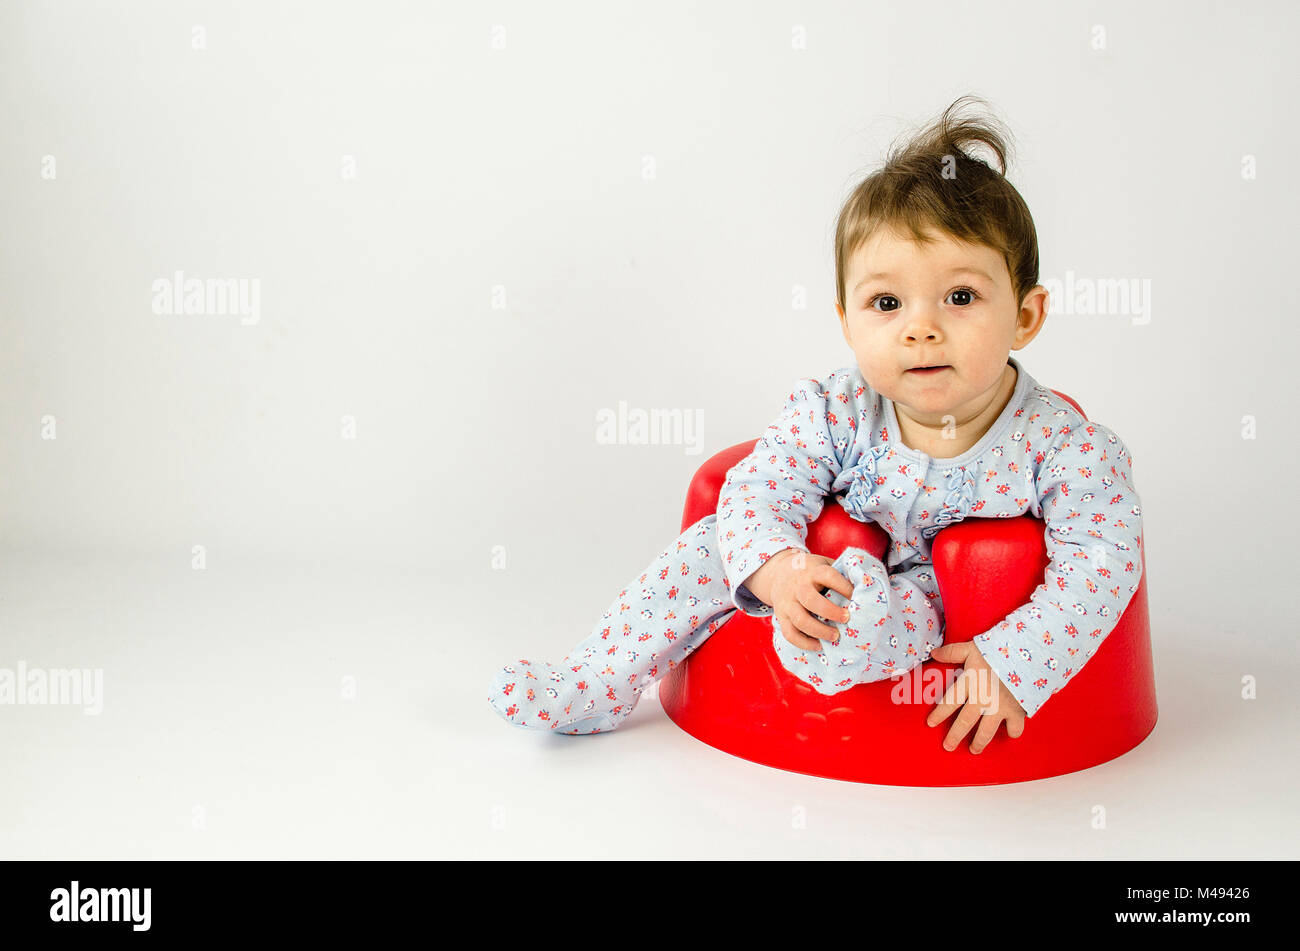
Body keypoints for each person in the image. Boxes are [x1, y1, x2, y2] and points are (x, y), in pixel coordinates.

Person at [485, 95, 1143, 755]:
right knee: (711, 543)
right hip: (812, 564)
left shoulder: (1064, 447)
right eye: (887, 302)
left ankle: (836, 640)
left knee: (897, 617)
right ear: (846, 320)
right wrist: (778, 569)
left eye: (961, 296)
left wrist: (1014, 661)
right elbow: (761, 485)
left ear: (1026, 316)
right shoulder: (837, 409)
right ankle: (598, 677)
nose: (921, 327)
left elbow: (1104, 556)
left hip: (934, 597)